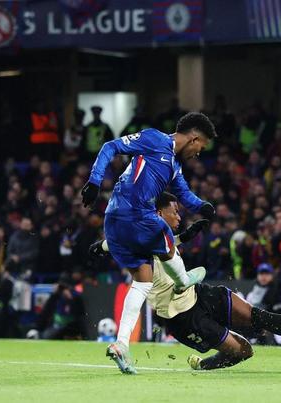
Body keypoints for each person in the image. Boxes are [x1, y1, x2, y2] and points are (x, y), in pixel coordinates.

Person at [91, 192, 281, 371]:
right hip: (180, 316)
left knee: (256, 316)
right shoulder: (140, 237)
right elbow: (131, 243)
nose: (179, 216)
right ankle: (203, 366)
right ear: (158, 213)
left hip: (197, 293)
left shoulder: (160, 235)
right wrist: (103, 245)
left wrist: (182, 238)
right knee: (244, 351)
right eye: (174, 212)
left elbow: (158, 245)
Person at [80, 112, 219, 374]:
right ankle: (182, 280)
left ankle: (121, 344)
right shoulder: (155, 139)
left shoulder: (174, 166)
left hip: (114, 220)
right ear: (194, 138)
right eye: (201, 147)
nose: (198, 153)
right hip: (137, 214)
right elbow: (110, 146)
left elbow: (184, 194)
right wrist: (95, 181)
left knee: (143, 281)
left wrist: (203, 206)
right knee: (165, 237)